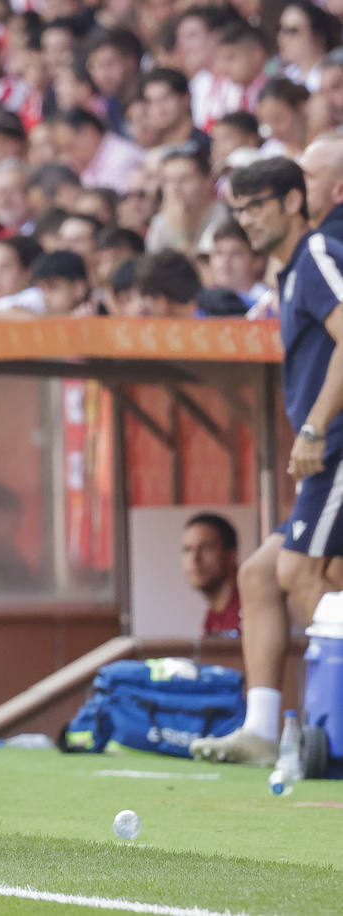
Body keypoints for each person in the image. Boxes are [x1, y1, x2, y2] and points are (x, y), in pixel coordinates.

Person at [191, 155, 343, 767]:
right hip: (326, 451)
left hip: (336, 448)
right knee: (259, 573)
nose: (248, 220)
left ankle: (332, 718)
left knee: (303, 574)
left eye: (258, 206)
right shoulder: (292, 268)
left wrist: (313, 427)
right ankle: (258, 729)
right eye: (240, 209)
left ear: (292, 201)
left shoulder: (317, 254)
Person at [182, 513, 242, 638]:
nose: (194, 559)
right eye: (187, 550)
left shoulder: (251, 606)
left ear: (232, 555)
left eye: (206, 548)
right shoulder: (213, 615)